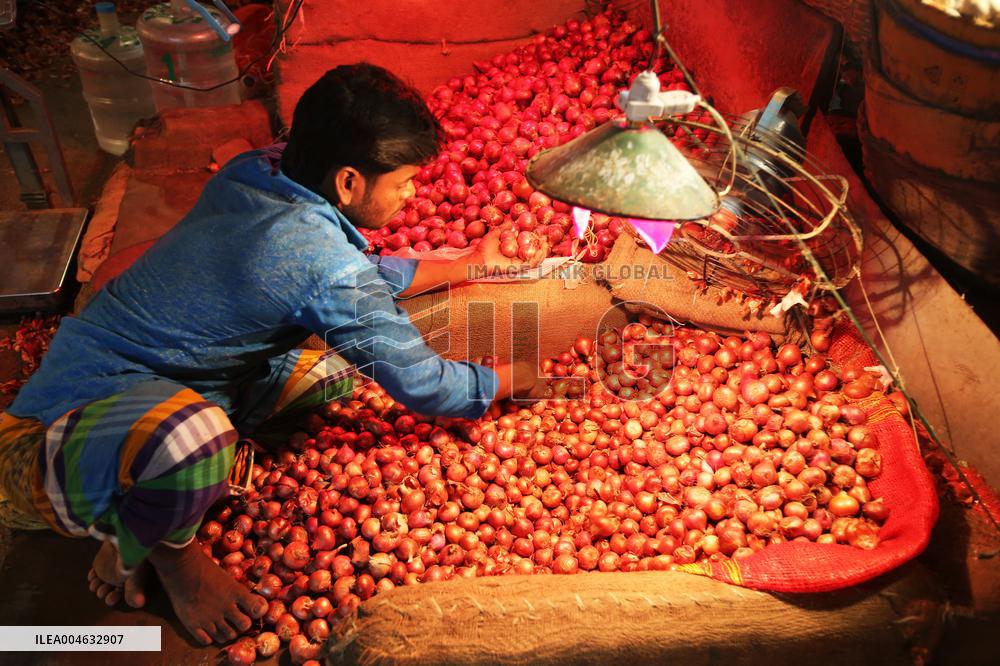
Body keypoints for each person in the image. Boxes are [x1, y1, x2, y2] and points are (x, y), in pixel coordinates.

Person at [0, 63, 547, 646]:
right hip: (46, 444)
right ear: (347, 184)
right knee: (199, 440)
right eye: (405, 181)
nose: (411, 194)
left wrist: (464, 266)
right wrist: (513, 378)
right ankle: (174, 562)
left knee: (336, 375)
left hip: (168, 385)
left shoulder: (258, 171)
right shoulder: (315, 259)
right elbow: (423, 384)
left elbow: (348, 279)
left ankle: (131, 524)